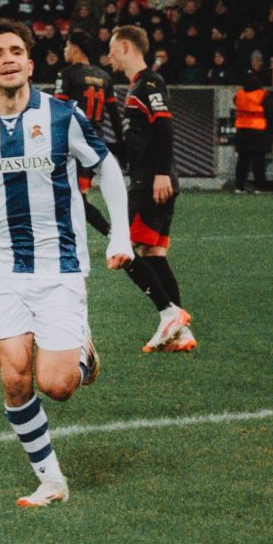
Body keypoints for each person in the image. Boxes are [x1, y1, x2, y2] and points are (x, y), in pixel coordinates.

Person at [0, 17, 132, 508]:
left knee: (57, 387)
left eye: (16, 51)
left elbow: (107, 168)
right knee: (14, 376)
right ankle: (52, 480)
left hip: (60, 266)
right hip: (1, 267)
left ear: (31, 64)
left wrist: (120, 234)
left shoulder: (62, 116)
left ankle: (80, 351)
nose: (8, 58)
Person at [107, 23, 194, 352]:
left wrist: (160, 173)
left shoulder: (150, 82)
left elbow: (165, 127)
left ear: (127, 47)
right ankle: (181, 333)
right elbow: (140, 141)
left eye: (113, 48)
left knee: (122, 250)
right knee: (153, 254)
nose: (109, 55)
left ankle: (168, 312)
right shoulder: (136, 87)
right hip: (148, 178)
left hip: (151, 182)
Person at [52, 26, 122, 241]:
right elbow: (114, 115)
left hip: (73, 144)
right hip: (95, 142)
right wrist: (121, 143)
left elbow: (58, 110)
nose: (65, 50)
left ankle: (114, 233)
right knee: (74, 194)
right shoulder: (104, 76)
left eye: (66, 46)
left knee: (75, 196)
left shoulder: (67, 74)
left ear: (75, 49)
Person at [231, 64, 273, 193]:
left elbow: (236, 102)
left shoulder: (239, 94)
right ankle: (260, 187)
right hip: (258, 131)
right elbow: (271, 115)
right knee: (258, 162)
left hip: (242, 131)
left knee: (242, 161)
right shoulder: (263, 95)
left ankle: (239, 187)